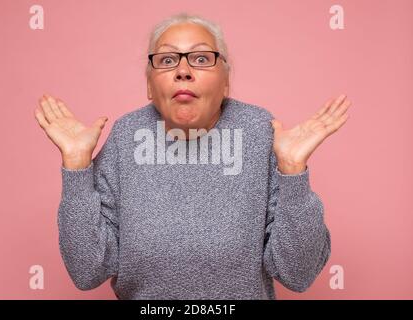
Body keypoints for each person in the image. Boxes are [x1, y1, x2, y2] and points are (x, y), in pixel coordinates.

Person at [34, 12, 350, 300]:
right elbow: (87, 272)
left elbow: (298, 274)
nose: (183, 71)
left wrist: (294, 171)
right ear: (149, 84)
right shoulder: (126, 135)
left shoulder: (259, 131)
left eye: (200, 58)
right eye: (168, 60)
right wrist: (76, 165)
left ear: (226, 81)